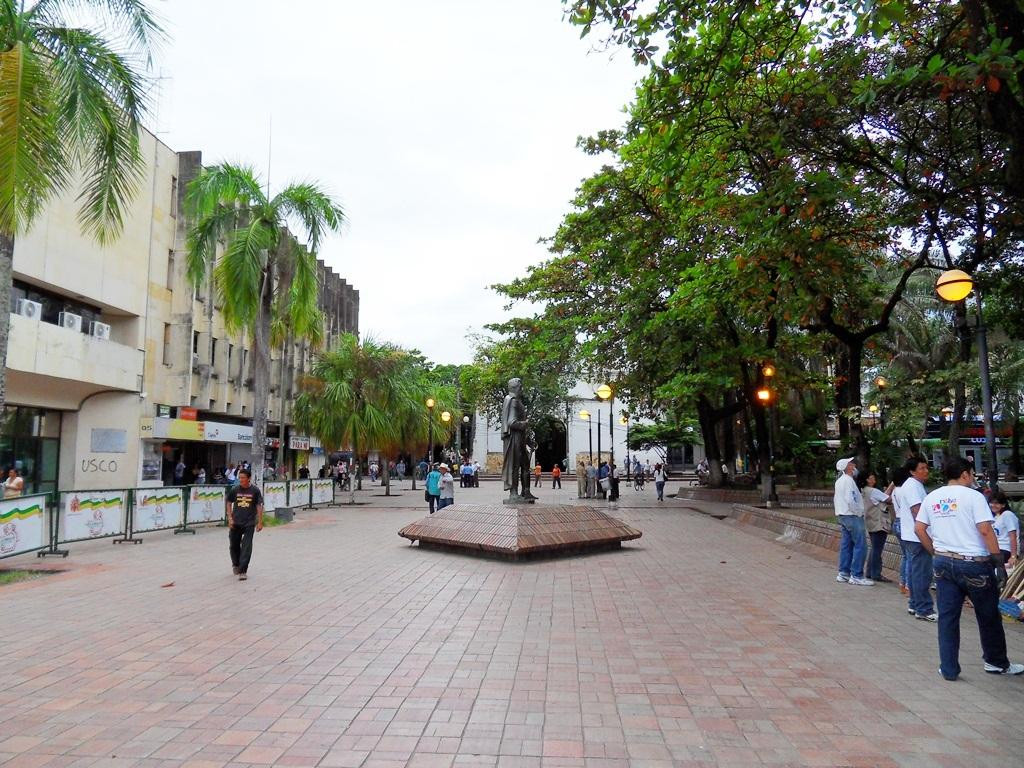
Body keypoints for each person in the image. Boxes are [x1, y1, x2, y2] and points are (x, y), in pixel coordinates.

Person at [915, 457, 1024, 680]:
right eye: (972, 474)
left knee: (947, 618)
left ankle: (949, 668)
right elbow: (985, 530)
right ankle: (995, 662)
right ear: (965, 474)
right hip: (974, 564)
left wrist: (935, 552)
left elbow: (919, 529)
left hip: (943, 562)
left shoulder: (932, 496)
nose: (973, 478)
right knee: (988, 616)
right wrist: (997, 562)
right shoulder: (974, 496)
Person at [900, 456, 935, 621]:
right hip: (918, 537)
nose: (925, 471)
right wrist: (927, 534)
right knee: (922, 574)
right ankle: (924, 609)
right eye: (921, 468)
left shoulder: (912, 485)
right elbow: (917, 511)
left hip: (911, 535)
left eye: (926, 468)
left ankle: (915, 604)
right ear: (912, 471)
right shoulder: (913, 486)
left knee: (915, 573)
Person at [834, 457, 873, 585]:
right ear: (848, 467)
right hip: (852, 515)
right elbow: (851, 499)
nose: (854, 465)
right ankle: (857, 575)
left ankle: (844, 572)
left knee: (847, 544)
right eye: (852, 463)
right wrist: (858, 512)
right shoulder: (848, 481)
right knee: (860, 545)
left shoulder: (840, 481)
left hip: (843, 515)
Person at [226, 468, 264, 581]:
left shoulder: (255, 491)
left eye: (243, 478)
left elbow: (259, 506)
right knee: (234, 545)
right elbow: (228, 502)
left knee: (246, 547)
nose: (241, 480)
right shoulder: (235, 489)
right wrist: (230, 518)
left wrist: (260, 521)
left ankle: (243, 570)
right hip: (236, 522)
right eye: (240, 478)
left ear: (249, 478)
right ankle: (236, 564)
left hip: (249, 523)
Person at [861, 471, 894, 583]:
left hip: (870, 521)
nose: (874, 479)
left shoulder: (864, 491)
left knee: (874, 547)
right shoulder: (874, 491)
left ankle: (870, 572)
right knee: (877, 549)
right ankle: (876, 573)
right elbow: (888, 499)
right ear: (867, 479)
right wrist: (893, 485)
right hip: (879, 522)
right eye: (871, 477)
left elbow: (883, 496)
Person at [888, 467, 912, 595]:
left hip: (896, 522)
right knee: (910, 556)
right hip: (905, 523)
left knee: (905, 555)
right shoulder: (905, 490)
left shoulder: (895, 491)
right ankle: (908, 585)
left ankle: (903, 583)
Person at [989, 490, 1019, 567]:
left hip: (1005, 549)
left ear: (1003, 505)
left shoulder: (1007, 515)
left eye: (997, 503)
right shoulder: (993, 517)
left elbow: (1013, 536)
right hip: (995, 550)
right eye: (992, 503)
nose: (993, 505)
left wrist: (1013, 556)